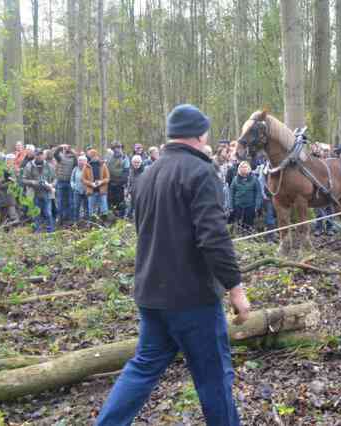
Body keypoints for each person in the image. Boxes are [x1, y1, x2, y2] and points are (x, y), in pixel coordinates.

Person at [95, 104, 249, 426]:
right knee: (214, 378)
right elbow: (213, 237)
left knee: (143, 367)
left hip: (152, 294)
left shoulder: (148, 174)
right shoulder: (201, 171)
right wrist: (235, 287)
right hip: (191, 300)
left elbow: (146, 232)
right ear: (200, 134)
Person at [22, 149, 56, 233]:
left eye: (41, 154)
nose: (39, 156)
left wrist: (51, 185)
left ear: (43, 155)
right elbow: (23, 180)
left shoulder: (49, 165)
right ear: (35, 155)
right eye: (37, 154)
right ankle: (37, 230)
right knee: (36, 214)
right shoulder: (29, 165)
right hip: (34, 193)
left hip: (47, 192)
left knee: (48, 213)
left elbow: (55, 178)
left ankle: (50, 231)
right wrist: (32, 182)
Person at [229, 161, 262, 232]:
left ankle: (248, 238)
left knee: (248, 226)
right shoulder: (235, 180)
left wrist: (257, 206)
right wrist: (231, 206)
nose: (244, 168)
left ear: (249, 168)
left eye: (245, 167)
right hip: (238, 206)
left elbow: (258, 193)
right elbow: (231, 193)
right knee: (238, 226)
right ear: (239, 169)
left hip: (250, 206)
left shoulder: (254, 179)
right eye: (242, 167)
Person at [54, 144, 77, 225]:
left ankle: (69, 218)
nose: (66, 150)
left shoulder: (74, 158)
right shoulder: (60, 157)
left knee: (70, 201)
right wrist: (60, 147)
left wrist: (70, 150)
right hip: (61, 182)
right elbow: (55, 154)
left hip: (69, 182)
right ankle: (60, 218)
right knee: (60, 201)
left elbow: (77, 160)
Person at [82, 149, 110, 217]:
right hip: (91, 191)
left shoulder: (103, 165)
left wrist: (101, 182)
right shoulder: (86, 166)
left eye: (94, 156)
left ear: (97, 155)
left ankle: (104, 224)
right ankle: (93, 224)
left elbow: (107, 178)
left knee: (104, 209)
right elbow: (83, 179)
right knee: (91, 210)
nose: (93, 157)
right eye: (91, 156)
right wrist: (91, 184)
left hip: (102, 191)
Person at [106, 141, 130, 216]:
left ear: (121, 148)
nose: (116, 149)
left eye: (118, 147)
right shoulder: (109, 157)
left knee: (121, 203)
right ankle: (111, 219)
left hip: (120, 185)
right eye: (114, 148)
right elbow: (106, 170)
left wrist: (120, 182)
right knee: (110, 202)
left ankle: (121, 219)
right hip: (110, 184)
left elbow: (126, 173)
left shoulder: (125, 158)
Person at [257, 161, 277, 242]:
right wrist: (264, 196)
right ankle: (270, 238)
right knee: (270, 216)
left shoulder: (278, 167)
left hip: (277, 197)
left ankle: (274, 235)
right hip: (268, 197)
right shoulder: (263, 168)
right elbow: (261, 182)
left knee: (276, 216)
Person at [126, 155, 146, 219]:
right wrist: (128, 192)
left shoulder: (145, 171)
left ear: (141, 162)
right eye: (135, 162)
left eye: (138, 162)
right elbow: (129, 182)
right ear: (132, 163)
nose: (136, 164)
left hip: (142, 193)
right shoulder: (131, 171)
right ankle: (129, 217)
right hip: (133, 192)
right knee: (130, 205)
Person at [70, 155, 89, 222]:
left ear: (86, 162)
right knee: (76, 206)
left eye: (82, 161)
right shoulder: (75, 169)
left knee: (86, 207)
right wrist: (73, 186)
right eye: (79, 161)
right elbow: (72, 179)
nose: (80, 162)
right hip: (77, 191)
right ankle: (75, 221)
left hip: (86, 191)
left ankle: (87, 221)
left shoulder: (89, 169)